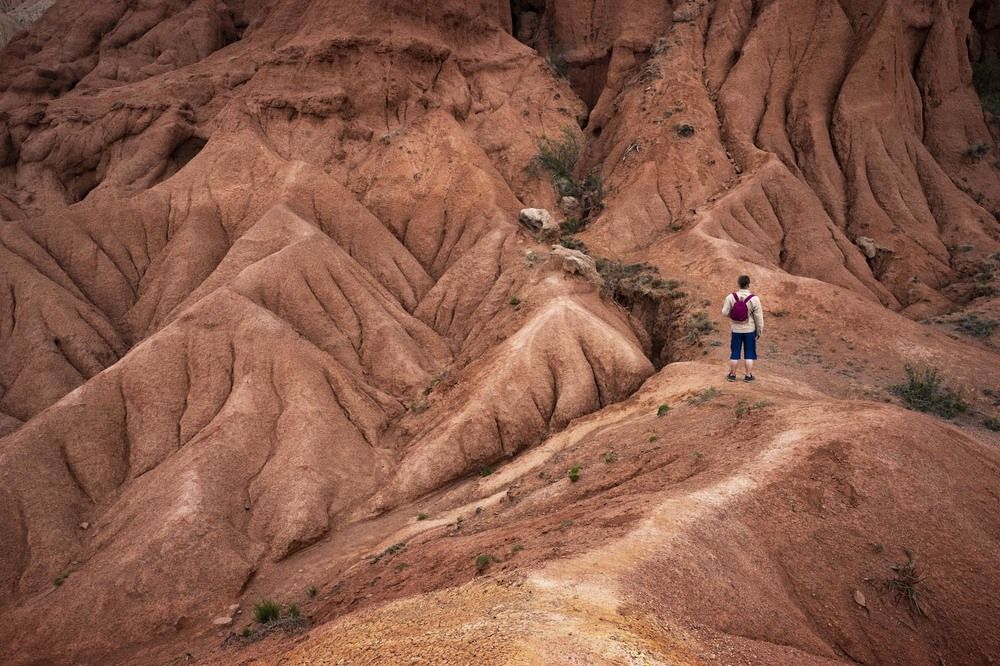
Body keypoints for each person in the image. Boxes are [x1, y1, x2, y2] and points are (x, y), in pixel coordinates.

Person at [721, 275, 763, 382]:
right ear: (748, 284)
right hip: (750, 330)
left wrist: (733, 317)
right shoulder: (754, 299)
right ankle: (748, 376)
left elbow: (724, 312)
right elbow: (759, 317)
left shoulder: (731, 297)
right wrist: (759, 330)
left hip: (736, 330)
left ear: (738, 284)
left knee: (734, 353)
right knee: (749, 353)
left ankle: (732, 375)